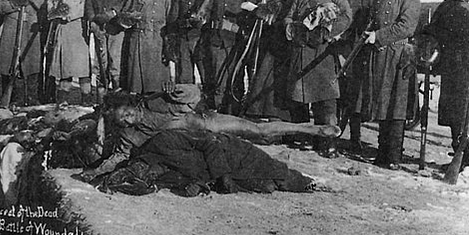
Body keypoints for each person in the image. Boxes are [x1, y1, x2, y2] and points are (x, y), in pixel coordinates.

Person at [79, 84, 341, 181]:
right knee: (244, 154)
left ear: (130, 105)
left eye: (126, 112)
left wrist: (181, 90)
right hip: (203, 143)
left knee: (259, 131)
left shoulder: (154, 102)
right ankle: (282, 159)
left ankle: (313, 129)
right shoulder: (130, 136)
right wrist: (95, 171)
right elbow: (117, 158)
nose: (128, 119)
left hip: (207, 122)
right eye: (123, 121)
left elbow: (194, 93)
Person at [284, 0, 352, 157]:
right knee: (300, 96)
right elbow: (289, 17)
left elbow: (347, 17)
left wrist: (328, 32)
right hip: (302, 50)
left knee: (325, 100)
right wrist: (293, 28)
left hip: (322, 54)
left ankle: (328, 141)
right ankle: (303, 136)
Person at [362, 0, 421, 169]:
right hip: (380, 56)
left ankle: (394, 156)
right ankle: (381, 153)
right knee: (382, 104)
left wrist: (378, 36)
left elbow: (407, 26)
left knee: (396, 106)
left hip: (398, 58)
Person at [244, 0, 306, 121]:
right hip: (269, 41)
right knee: (265, 78)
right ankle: (264, 116)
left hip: (286, 43)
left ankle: (280, 121)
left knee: (281, 83)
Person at [422, 0, 469, 164]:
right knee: (455, 112)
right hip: (454, 67)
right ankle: (459, 154)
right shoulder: (448, 5)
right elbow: (431, 32)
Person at [328, 0, 374, 152]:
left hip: (354, 48)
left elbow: (369, 16)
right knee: (334, 94)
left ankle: (355, 138)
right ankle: (331, 135)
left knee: (353, 95)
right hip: (332, 48)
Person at [201, 0, 256, 114]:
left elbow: (252, 21)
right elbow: (206, 12)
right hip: (214, 40)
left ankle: (232, 117)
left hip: (234, 43)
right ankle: (214, 115)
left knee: (233, 80)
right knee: (214, 79)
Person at [0, 0, 44, 105]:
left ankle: (32, 98)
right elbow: (0, 6)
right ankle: (13, 99)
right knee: (9, 62)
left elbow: (41, 2)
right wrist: (16, 3)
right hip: (11, 28)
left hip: (30, 29)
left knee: (32, 64)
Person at [122, 0, 174, 94]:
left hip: (157, 40)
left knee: (156, 80)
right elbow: (125, 12)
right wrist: (131, 16)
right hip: (139, 38)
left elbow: (170, 20)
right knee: (136, 80)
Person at [47, 0, 93, 104]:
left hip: (79, 29)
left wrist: (71, 14)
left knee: (83, 68)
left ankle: (86, 103)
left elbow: (87, 6)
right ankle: (63, 103)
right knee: (64, 68)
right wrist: (55, 10)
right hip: (64, 30)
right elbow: (52, 1)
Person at [168, 0, 211, 87]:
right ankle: (185, 105)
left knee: (206, 75)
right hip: (183, 39)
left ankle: (208, 105)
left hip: (201, 39)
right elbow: (175, 16)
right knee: (183, 77)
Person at [34, 0, 62, 102]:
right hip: (35, 26)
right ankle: (37, 93)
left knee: (51, 59)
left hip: (52, 25)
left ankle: (50, 94)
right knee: (36, 59)